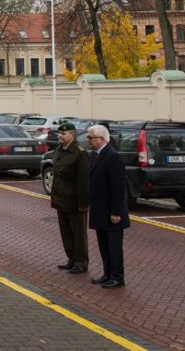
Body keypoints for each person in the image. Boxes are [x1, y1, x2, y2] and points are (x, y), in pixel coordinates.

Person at [87, 124, 129, 288]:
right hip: (99, 210)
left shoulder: (113, 157)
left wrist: (116, 211)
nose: (88, 141)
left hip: (112, 212)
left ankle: (118, 277)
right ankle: (107, 274)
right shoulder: (94, 155)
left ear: (102, 139)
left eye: (91, 138)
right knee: (103, 245)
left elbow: (118, 187)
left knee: (114, 247)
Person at [50, 122, 89, 274]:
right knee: (65, 232)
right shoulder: (59, 150)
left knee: (79, 234)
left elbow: (84, 180)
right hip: (61, 199)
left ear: (72, 135)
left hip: (74, 201)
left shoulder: (80, 153)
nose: (60, 136)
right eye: (59, 133)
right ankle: (71, 258)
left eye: (63, 134)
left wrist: (84, 203)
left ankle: (81, 261)